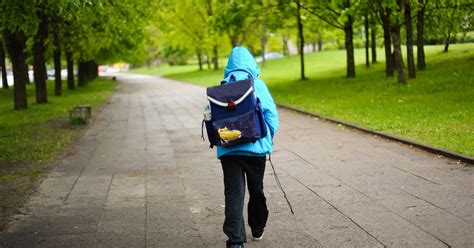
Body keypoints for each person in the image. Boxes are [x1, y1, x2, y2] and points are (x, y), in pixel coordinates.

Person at [217, 46, 279, 248]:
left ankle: (235, 241)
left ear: (229, 66)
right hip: (255, 148)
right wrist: (269, 137)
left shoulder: (222, 87)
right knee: (256, 189)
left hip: (229, 150)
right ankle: (257, 227)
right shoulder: (257, 85)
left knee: (234, 193)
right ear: (252, 64)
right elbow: (271, 116)